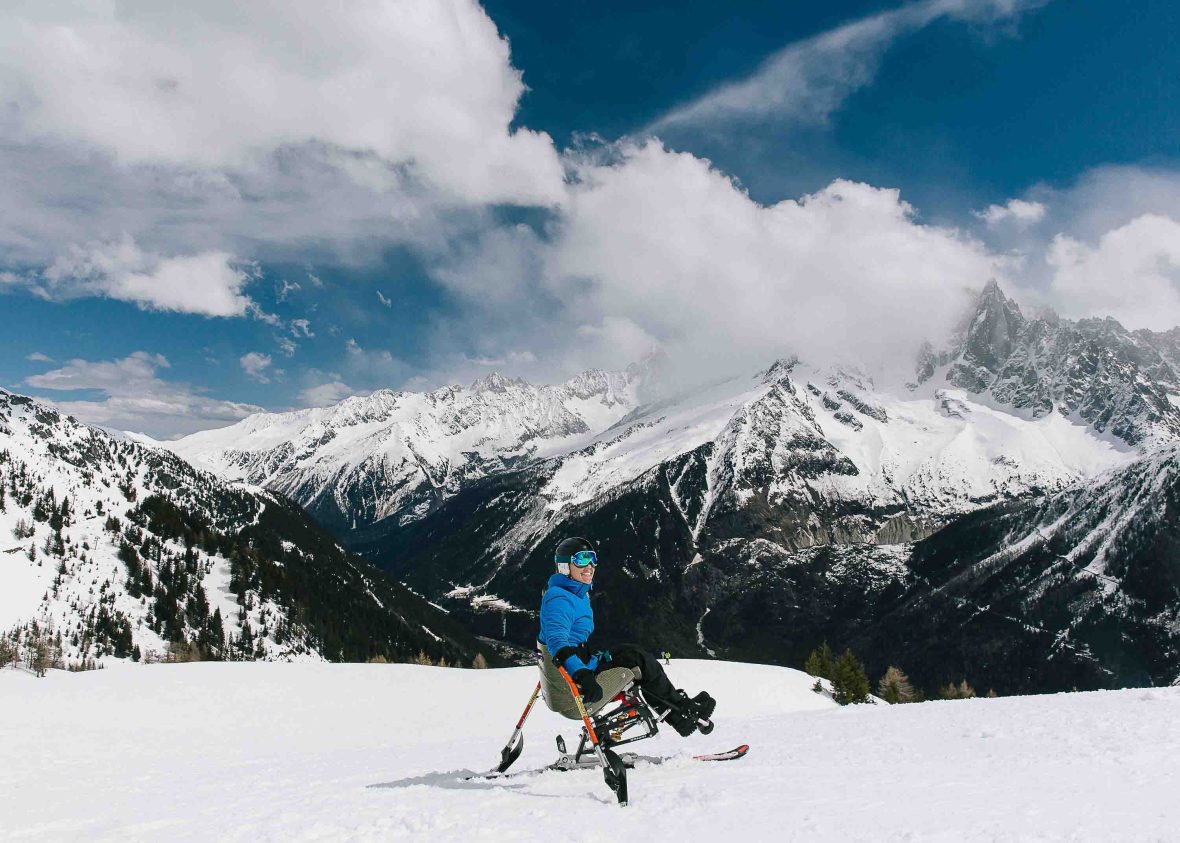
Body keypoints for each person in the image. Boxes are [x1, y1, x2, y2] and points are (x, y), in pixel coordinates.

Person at [538, 536, 715, 737]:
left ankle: (680, 711)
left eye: (592, 559)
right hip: (575, 689)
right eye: (581, 560)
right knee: (638, 662)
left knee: (631, 652)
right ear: (564, 567)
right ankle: (681, 714)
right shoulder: (559, 598)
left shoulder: (573, 593)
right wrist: (582, 674)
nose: (589, 566)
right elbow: (556, 641)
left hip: (581, 668)